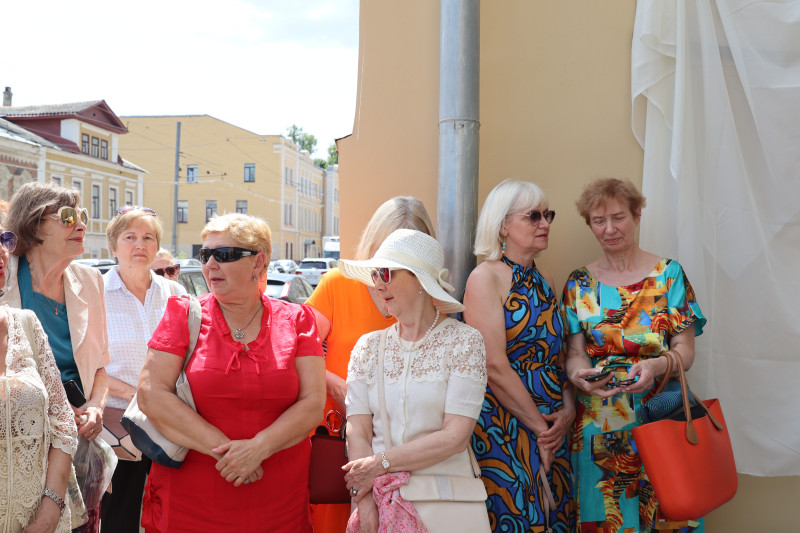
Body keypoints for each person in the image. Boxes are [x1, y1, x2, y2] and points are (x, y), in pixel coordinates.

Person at [136, 213, 325, 532]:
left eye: (224, 254)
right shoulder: (182, 314)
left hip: (279, 503)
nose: (210, 264)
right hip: (190, 503)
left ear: (258, 262)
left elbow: (313, 403)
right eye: (205, 255)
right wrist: (229, 452)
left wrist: (258, 448)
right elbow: (150, 394)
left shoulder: (297, 320)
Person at [560, 178, 706, 533]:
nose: (609, 229)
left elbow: (685, 352)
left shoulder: (668, 275)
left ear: (637, 215)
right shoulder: (579, 284)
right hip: (599, 422)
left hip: (662, 415)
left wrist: (655, 365)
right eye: (599, 221)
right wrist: (579, 376)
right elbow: (575, 354)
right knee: (607, 519)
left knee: (669, 511)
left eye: (618, 217)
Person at [339, 229, 489, 533]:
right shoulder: (367, 347)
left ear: (420, 279)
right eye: (374, 275)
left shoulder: (465, 342)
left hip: (447, 511)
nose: (378, 284)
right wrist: (364, 502)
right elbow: (357, 432)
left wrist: (379, 463)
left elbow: (455, 438)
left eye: (386, 273)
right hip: (378, 507)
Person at [305, 196, 435, 533]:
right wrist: (337, 386)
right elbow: (298, 351)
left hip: (407, 446)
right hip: (341, 436)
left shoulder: (431, 298)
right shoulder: (338, 284)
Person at [463, 179, 576, 532]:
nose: (545, 223)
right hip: (507, 424)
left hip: (553, 424)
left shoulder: (546, 279)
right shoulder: (485, 278)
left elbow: (558, 359)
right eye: (533, 216)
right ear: (502, 226)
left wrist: (568, 411)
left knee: (556, 518)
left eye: (547, 215)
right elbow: (494, 365)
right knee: (519, 518)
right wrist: (541, 430)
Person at [2, 182, 110, 533]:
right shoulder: (3, 273)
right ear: (33, 225)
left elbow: (101, 368)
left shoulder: (91, 281)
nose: (81, 225)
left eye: (83, 215)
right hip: (17, 443)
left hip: (76, 444)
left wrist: (95, 407)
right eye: (67, 217)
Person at [99, 208, 186, 533]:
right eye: (130, 237)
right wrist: (137, 395)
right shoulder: (95, 293)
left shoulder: (175, 294)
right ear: (113, 245)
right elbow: (84, 365)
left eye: (148, 237)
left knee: (171, 514)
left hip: (171, 424)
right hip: (117, 426)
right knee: (119, 518)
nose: (140, 244)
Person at [0, 227, 80, 533]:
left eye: (2, 240)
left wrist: (50, 510)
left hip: (38, 523)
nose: (2, 252)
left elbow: (62, 422)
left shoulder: (25, 323)